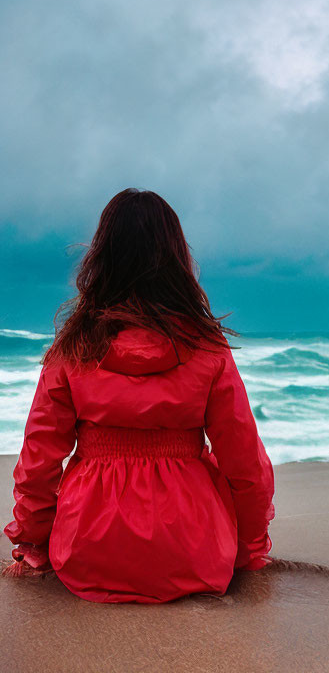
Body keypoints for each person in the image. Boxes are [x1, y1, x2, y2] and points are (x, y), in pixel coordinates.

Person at [1, 188, 276, 603]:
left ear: (101, 259)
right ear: (177, 259)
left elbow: (37, 463)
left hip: (86, 554)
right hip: (194, 553)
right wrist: (250, 548)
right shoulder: (207, 348)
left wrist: (32, 544)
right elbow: (246, 465)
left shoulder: (73, 349)